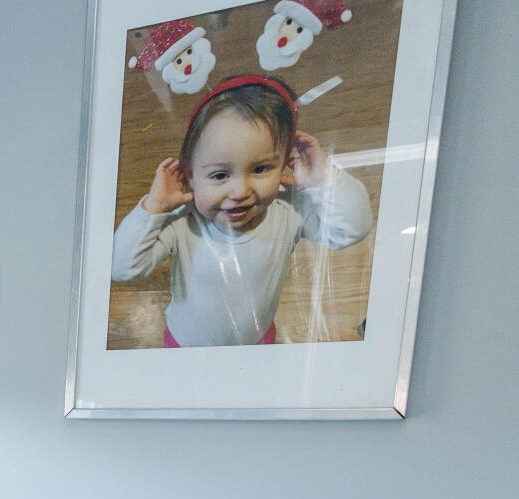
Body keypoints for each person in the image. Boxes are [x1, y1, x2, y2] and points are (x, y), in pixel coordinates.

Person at [110, 75, 373, 347]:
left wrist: (322, 179)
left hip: (256, 342)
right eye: (220, 175)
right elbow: (123, 267)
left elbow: (352, 229)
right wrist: (153, 208)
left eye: (260, 169)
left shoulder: (287, 211)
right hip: (185, 345)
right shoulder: (182, 221)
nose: (240, 191)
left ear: (284, 163)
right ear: (189, 176)